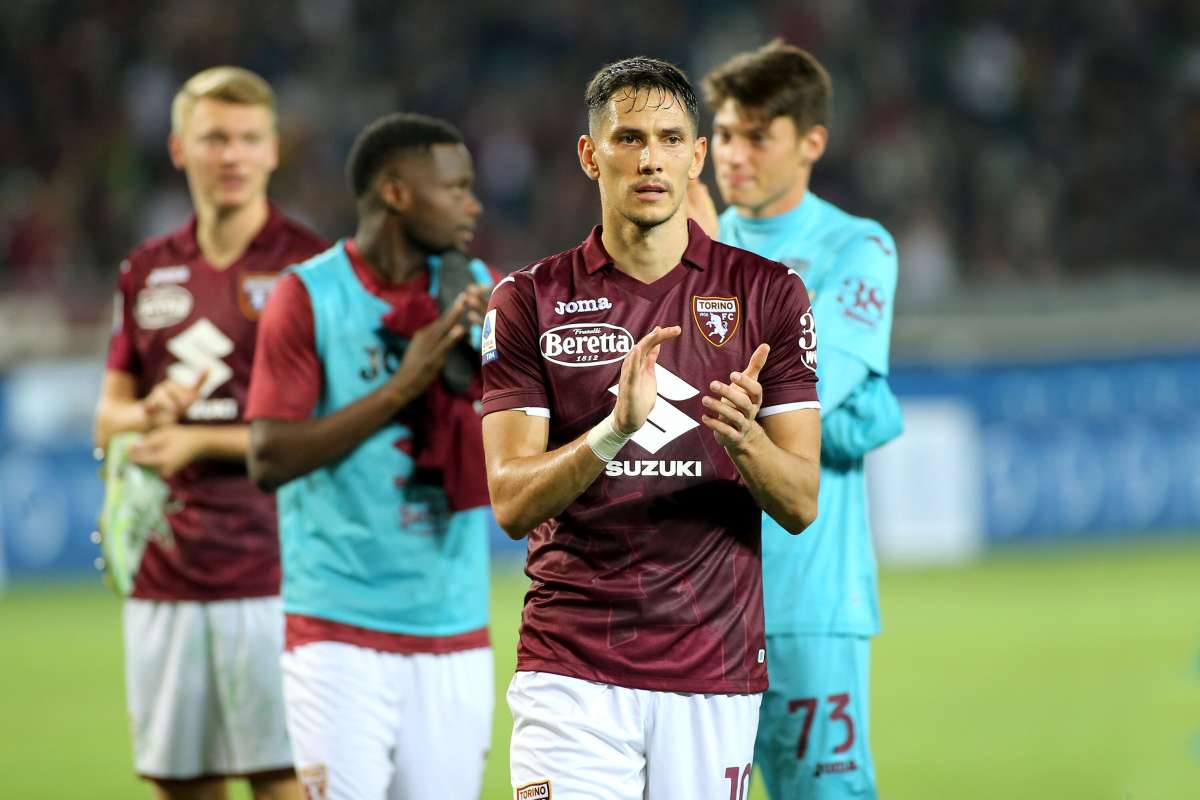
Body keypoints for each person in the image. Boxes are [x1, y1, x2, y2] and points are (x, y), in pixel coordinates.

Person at [482, 56, 822, 800]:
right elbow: (509, 502)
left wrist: (746, 441)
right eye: (629, 138)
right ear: (589, 154)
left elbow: (801, 503)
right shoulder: (528, 300)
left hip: (713, 670)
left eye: (670, 140)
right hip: (571, 670)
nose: (649, 159)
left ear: (696, 157)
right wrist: (613, 430)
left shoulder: (769, 294)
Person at [245, 112, 495, 800]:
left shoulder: (478, 291)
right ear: (396, 193)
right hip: (337, 631)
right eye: (456, 188)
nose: (473, 205)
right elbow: (268, 456)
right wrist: (401, 388)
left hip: (454, 628)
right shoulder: (308, 295)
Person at [92, 66, 327, 799]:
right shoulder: (145, 271)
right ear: (178, 148)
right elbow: (108, 417)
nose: (232, 155)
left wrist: (200, 441)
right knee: (182, 785)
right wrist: (151, 413)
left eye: (249, 139)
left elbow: (326, 429)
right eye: (214, 138)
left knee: (283, 782)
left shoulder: (312, 267)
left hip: (278, 571)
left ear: (273, 151)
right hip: (166, 572)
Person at [690, 40, 904, 799]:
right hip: (691, 604)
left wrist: (708, 262)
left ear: (812, 142)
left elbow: (810, 386)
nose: (733, 154)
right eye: (723, 134)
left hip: (807, 599)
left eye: (758, 136)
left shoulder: (857, 246)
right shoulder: (682, 243)